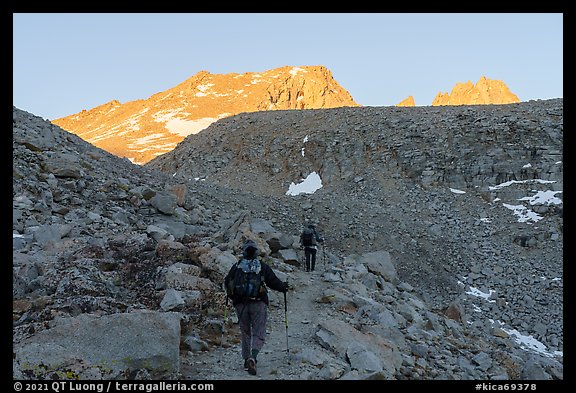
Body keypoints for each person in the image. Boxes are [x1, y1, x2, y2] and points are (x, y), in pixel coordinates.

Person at [224, 239, 288, 376]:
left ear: (244, 252)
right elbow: (273, 281)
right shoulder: (262, 266)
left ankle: (246, 358)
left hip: (240, 304)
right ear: (256, 252)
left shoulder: (237, 266)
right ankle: (253, 356)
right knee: (259, 331)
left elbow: (227, 282)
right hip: (258, 303)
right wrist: (284, 288)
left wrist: (233, 298)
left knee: (245, 331)